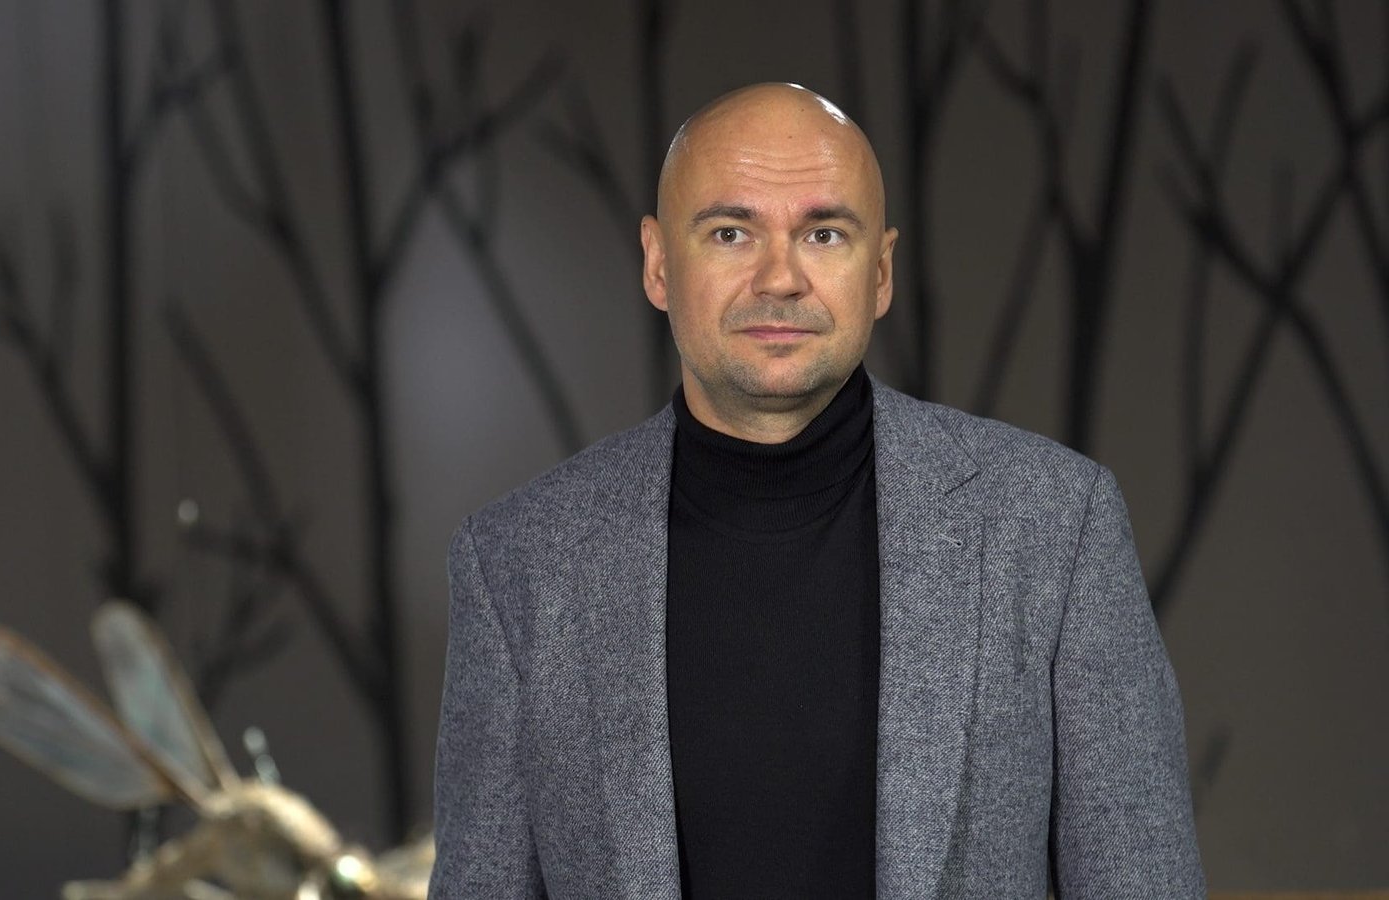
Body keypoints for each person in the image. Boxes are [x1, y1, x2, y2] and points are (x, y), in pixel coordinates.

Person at [429, 82, 1204, 899]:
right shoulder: (518, 562)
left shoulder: (1056, 525)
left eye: (824, 233)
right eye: (731, 233)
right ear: (658, 264)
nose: (780, 278)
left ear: (881, 272)